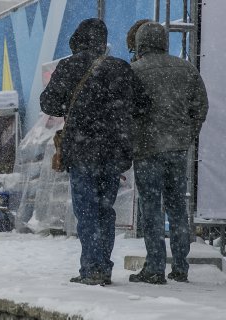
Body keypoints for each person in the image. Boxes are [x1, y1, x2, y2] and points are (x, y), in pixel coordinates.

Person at [40, 18, 148, 285]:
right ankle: (103, 265)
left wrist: (76, 108)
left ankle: (92, 268)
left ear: (77, 39)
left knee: (87, 210)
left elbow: (48, 103)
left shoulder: (69, 66)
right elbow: (142, 105)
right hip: (113, 151)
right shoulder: (120, 67)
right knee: (104, 209)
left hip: (82, 150)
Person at [128, 22, 209, 284]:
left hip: (147, 149)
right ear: (164, 41)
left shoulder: (134, 71)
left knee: (150, 208)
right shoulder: (186, 69)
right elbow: (201, 107)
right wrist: (187, 135)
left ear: (140, 43)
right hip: (176, 149)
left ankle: (154, 266)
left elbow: (126, 111)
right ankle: (181, 266)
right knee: (177, 207)